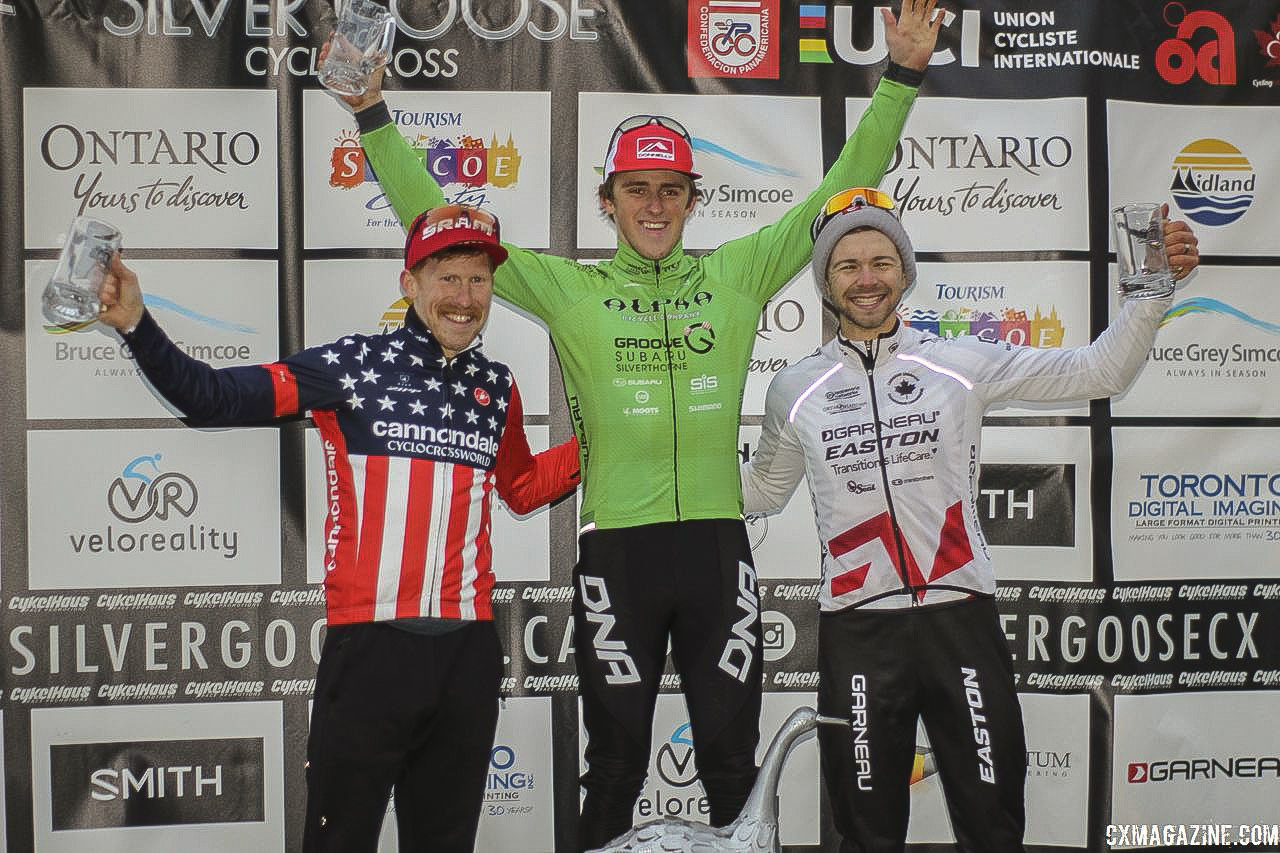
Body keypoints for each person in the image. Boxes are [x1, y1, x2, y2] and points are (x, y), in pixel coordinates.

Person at [334, 2, 943, 846]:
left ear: (693, 199)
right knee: (615, 762)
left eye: (670, 190)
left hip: (718, 548)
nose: (654, 206)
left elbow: (843, 188)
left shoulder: (737, 273)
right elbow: (437, 219)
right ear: (608, 200)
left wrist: (902, 76)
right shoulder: (569, 289)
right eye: (636, 190)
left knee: (733, 760)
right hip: (616, 550)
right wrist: (370, 113)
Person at [95, 204, 582, 853]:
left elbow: (521, 489)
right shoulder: (351, 367)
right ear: (410, 283)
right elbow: (211, 397)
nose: (464, 298)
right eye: (447, 278)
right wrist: (135, 323)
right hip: (370, 655)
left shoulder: (496, 386)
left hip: (467, 656)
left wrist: (605, 440)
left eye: (478, 280)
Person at [740, 187, 1200, 852]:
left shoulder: (956, 362)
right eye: (847, 265)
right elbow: (760, 490)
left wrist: (1151, 288)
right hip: (858, 631)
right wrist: (655, 461)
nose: (866, 278)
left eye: (880, 260)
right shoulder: (795, 388)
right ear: (825, 281)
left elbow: (1102, 370)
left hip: (961, 621)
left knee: (992, 825)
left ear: (903, 270)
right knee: (866, 833)